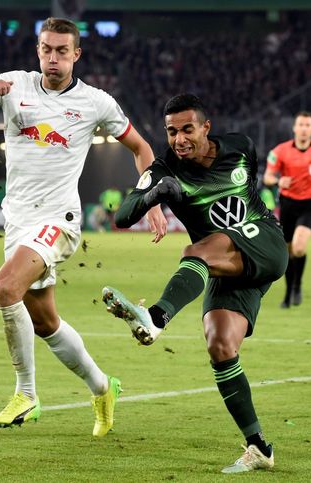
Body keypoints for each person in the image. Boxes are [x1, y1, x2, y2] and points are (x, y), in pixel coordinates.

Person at [0, 17, 166, 437]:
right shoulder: (13, 85)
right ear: (38, 50)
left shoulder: (96, 102)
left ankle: (26, 393)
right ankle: (103, 387)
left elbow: (141, 147)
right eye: (47, 49)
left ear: (77, 54)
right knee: (45, 323)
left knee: (6, 288)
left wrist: (150, 198)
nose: (53, 57)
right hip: (17, 221)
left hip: (59, 220)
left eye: (62, 50)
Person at [102, 94, 287, 473]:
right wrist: (154, 195)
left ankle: (154, 318)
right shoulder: (164, 168)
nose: (179, 139)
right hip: (226, 264)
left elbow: (248, 187)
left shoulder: (240, 147)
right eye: (171, 132)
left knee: (195, 250)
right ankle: (259, 448)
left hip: (265, 242)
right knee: (220, 344)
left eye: (187, 129)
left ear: (206, 127)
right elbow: (122, 215)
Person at [263, 111, 311, 308]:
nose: (304, 128)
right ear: (294, 128)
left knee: (299, 246)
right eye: (301, 125)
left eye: (308, 125)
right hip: (288, 204)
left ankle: (297, 286)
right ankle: (288, 293)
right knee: (288, 252)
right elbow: (267, 177)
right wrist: (279, 180)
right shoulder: (280, 151)